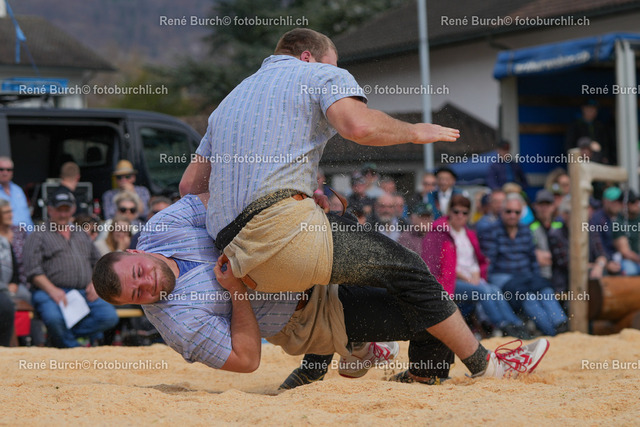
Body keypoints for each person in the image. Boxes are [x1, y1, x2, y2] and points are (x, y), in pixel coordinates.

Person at [179, 28, 548, 381]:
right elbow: (359, 127)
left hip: (236, 259)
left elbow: (189, 187)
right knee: (411, 270)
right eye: (333, 63)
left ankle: (366, 352)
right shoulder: (318, 74)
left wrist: (267, 198)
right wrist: (414, 131)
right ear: (308, 57)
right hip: (282, 233)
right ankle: (486, 365)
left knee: (345, 259)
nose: (337, 70)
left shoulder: (228, 102)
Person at [93, 193, 549, 383]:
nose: (148, 286)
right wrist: (236, 291)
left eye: (139, 274)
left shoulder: (160, 228)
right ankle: (469, 367)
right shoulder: (177, 322)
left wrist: (297, 206)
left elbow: (219, 200)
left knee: (412, 279)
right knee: (430, 308)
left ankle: (364, 356)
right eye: (138, 295)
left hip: (309, 262)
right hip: (309, 314)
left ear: (134, 251)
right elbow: (246, 360)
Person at [423, 195, 529, 338]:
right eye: (456, 211)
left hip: (470, 279)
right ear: (449, 211)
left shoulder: (468, 233)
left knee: (494, 290)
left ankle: (515, 324)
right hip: (448, 281)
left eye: (465, 213)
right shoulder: (438, 232)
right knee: (483, 290)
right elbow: (436, 264)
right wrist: (467, 278)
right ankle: (502, 325)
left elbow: (475, 260)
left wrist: (476, 275)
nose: (460, 216)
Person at [23, 189, 118, 348]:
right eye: (59, 210)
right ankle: (73, 348)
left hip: (84, 291)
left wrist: (95, 283)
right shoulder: (38, 235)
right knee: (54, 319)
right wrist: (52, 290)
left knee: (109, 316)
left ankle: (64, 339)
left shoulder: (81, 233)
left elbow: (98, 262)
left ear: (73, 210)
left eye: (66, 209)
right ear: (50, 210)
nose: (63, 214)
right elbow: (32, 269)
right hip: (48, 291)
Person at [480, 194, 568, 336]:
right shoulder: (491, 231)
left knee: (545, 289)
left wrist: (536, 277)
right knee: (527, 297)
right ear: (502, 211)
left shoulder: (525, 230)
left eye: (517, 212)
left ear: (521, 213)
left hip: (525, 274)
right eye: (508, 211)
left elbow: (532, 258)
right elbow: (489, 262)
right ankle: (553, 333)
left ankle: (561, 324)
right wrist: (489, 281)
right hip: (503, 276)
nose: (512, 215)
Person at [529, 190, 562, 282]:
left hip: (559, 274)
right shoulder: (529, 227)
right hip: (539, 274)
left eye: (547, 204)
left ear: (553, 206)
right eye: (541, 205)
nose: (544, 208)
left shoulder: (560, 226)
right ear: (535, 206)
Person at [612, 189, 640, 275]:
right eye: (632, 202)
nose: (636, 204)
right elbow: (625, 252)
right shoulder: (618, 222)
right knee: (630, 270)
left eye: (637, 201)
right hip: (627, 260)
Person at [0, 156, 33, 228]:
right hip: (6, 233)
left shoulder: (18, 190)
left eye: (9, 170)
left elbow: (26, 214)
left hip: (27, 232)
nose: (5, 173)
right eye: (1, 169)